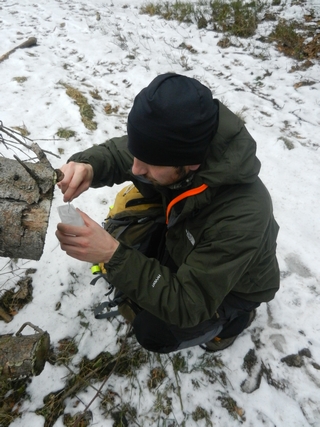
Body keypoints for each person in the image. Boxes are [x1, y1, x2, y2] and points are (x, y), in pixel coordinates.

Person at [56, 73, 280, 354]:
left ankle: (233, 324)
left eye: (148, 162)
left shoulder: (242, 216)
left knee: (154, 330)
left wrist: (112, 254)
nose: (136, 169)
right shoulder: (177, 144)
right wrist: (88, 166)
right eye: (139, 154)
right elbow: (121, 153)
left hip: (235, 288)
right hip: (187, 237)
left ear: (192, 163)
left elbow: (189, 304)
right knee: (131, 232)